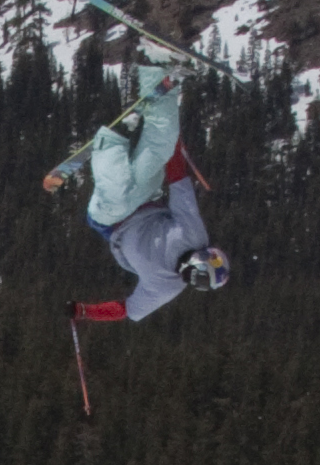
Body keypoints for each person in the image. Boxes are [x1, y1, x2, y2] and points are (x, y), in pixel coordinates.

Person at [43, 53, 229, 323]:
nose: (190, 279)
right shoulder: (194, 235)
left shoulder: (165, 287)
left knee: (118, 194)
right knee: (161, 145)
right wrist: (173, 145)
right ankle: (154, 62)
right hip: (146, 196)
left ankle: (110, 142)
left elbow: (127, 309)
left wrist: (85, 311)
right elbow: (178, 181)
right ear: (202, 257)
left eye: (196, 284)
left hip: (111, 221)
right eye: (198, 275)